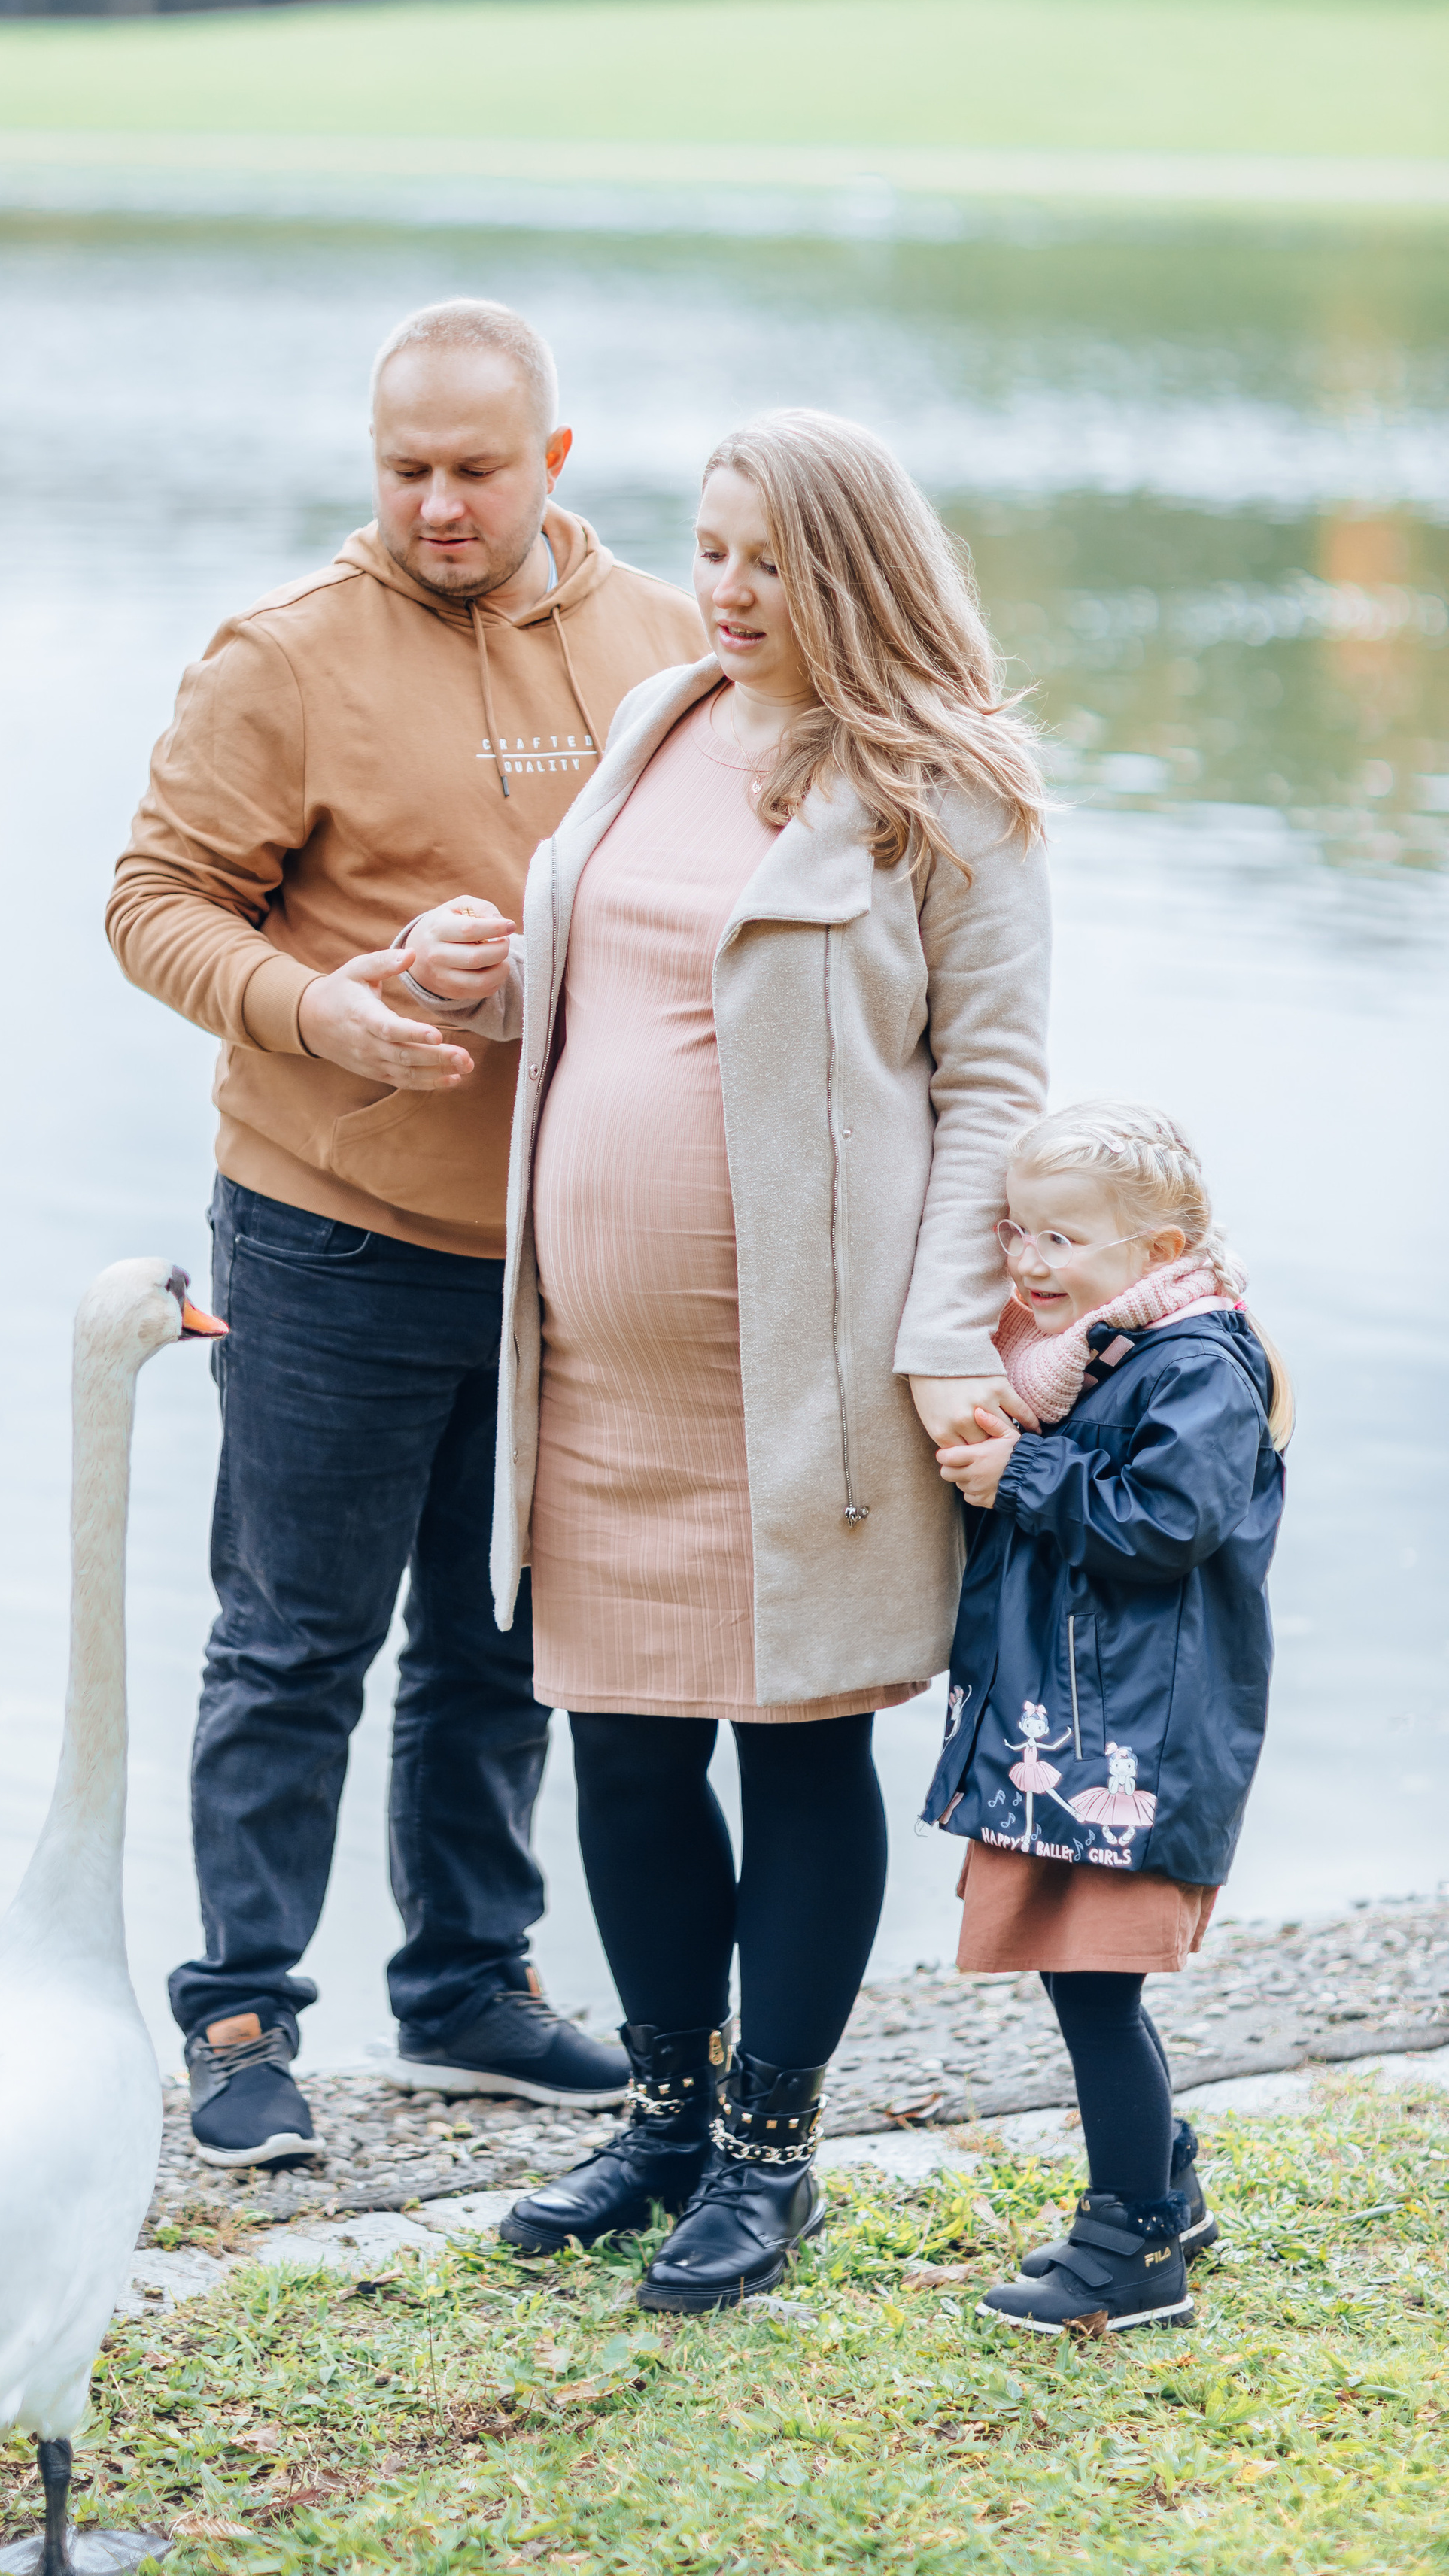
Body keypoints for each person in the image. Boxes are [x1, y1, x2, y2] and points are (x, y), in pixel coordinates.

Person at [407, 408, 1052, 2309]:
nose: (725, 590)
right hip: (591, 1372)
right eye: (705, 550)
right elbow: (625, 972)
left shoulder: (950, 790)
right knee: (615, 1747)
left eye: (765, 559)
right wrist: (491, 973)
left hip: (807, 1381)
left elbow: (992, 1089)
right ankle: (665, 2118)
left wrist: (945, 1343)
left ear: (851, 566)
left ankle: (773, 2156)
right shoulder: (660, 723)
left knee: (794, 1751)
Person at [105, 299, 706, 2166]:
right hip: (328, 1229)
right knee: (292, 1636)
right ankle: (239, 2022)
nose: (436, 507)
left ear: (552, 460)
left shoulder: (667, 647)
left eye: (472, 470)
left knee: (500, 1638)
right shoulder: (280, 657)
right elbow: (152, 902)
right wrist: (325, 1004)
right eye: (403, 471)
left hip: (559, 1243)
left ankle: (464, 1991)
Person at [919, 1100, 1290, 2336]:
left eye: (1063, 1240)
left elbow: (1165, 1526)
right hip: (1077, 1728)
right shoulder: (1104, 1355)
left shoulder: (1200, 1362)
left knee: (1095, 1986)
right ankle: (1166, 2187)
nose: (1029, 1261)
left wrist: (1022, 1473)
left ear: (1155, 1248)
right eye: (1018, 1231)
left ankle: (1132, 2244)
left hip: (1137, 1740)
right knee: (1086, 1982)